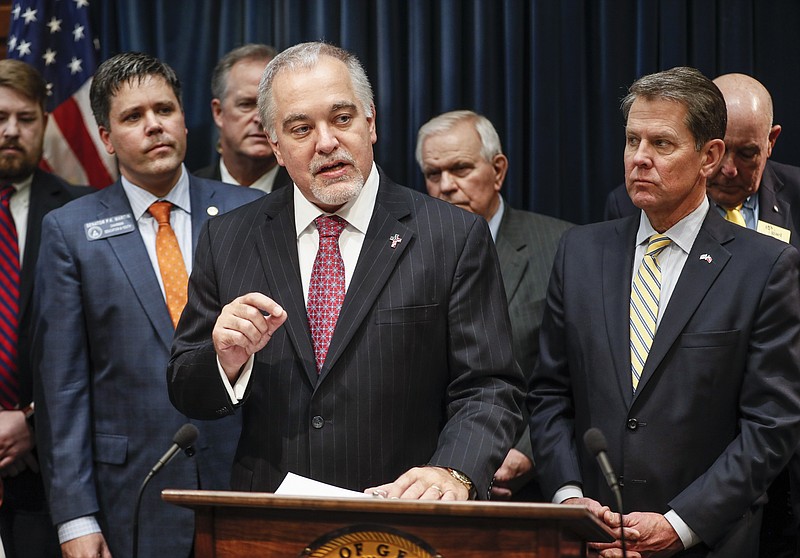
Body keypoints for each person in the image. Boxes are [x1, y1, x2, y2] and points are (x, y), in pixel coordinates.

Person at [167, 41, 525, 502]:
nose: (327, 142)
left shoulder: (451, 236)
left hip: (405, 518)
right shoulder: (229, 239)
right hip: (272, 525)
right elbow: (186, 386)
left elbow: (490, 386)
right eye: (301, 128)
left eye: (342, 118)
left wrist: (453, 472)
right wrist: (225, 358)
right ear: (275, 145)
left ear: (370, 122)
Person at [528, 66, 800, 557]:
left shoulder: (766, 267)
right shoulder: (579, 253)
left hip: (706, 542)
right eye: (633, 140)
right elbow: (549, 393)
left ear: (709, 157)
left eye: (662, 144)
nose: (640, 159)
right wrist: (569, 498)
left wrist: (680, 524)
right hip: (591, 539)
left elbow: (770, 425)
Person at [31, 53, 263, 558]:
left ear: (185, 118)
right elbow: (62, 388)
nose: (154, 125)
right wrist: (74, 518)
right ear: (108, 138)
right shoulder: (70, 232)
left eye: (164, 109)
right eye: (133, 117)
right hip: (132, 494)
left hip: (246, 479)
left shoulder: (246, 211)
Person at [416, 110, 572, 500]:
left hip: (527, 483)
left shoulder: (560, 247)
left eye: (461, 168)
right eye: (434, 174)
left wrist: (529, 451)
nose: (447, 186)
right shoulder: (408, 252)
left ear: (498, 170)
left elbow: (578, 373)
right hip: (426, 481)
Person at [0, 59, 87, 558]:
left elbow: (96, 347)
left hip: (49, 477)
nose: (13, 131)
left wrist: (29, 422)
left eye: (26, 118)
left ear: (45, 122)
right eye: (1, 117)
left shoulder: (81, 212)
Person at [603, 73, 800, 250]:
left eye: (746, 153)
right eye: (633, 140)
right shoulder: (632, 203)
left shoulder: (795, 190)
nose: (730, 170)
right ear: (708, 153)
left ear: (770, 141)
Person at [194, 43, 292, 193]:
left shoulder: (305, 193)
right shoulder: (192, 193)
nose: (260, 119)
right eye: (246, 104)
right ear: (218, 112)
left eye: (268, 106)